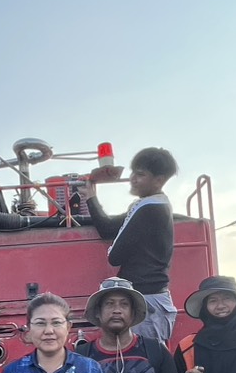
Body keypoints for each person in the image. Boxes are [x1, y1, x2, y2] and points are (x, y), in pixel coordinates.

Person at [76, 147, 179, 343]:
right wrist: (91, 197)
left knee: (143, 358)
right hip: (153, 299)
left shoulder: (147, 208)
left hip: (146, 302)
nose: (133, 179)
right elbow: (108, 228)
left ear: (158, 180)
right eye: (133, 173)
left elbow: (114, 256)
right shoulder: (156, 205)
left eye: (140, 174)